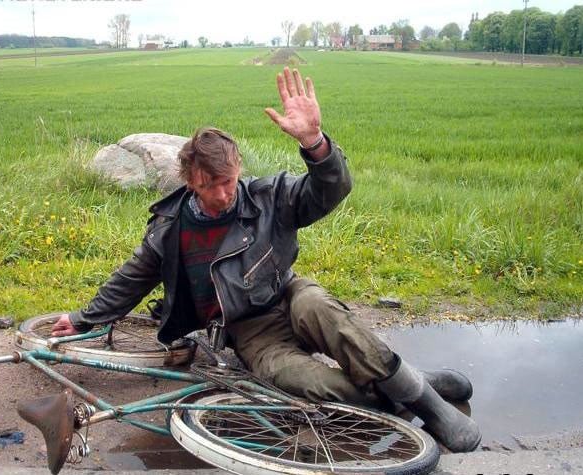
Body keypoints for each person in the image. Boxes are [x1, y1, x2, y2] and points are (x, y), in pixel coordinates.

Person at [51, 67, 481, 453]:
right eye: (208, 185)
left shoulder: (271, 197)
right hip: (251, 332)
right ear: (188, 181)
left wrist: (314, 143)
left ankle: (432, 408)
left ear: (238, 168)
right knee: (312, 385)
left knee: (326, 313)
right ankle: (416, 386)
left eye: (227, 181)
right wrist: (84, 318)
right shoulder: (170, 229)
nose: (221, 194)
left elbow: (329, 191)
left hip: (289, 296)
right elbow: (132, 278)